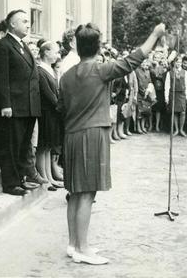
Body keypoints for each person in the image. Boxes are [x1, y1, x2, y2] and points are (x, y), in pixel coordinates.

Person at [57, 22, 166, 265]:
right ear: (97, 47)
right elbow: (134, 59)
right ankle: (83, 248)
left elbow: (60, 108)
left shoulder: (66, 77)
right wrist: (155, 34)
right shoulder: (100, 70)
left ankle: (74, 244)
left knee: (74, 192)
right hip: (92, 134)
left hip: (71, 135)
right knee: (87, 192)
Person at [0, 9, 42, 196]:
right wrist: (5, 104)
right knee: (10, 145)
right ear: (12, 23)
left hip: (27, 106)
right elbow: (0, 78)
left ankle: (21, 178)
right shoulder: (1, 45)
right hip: (12, 106)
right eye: (25, 21)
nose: (29, 24)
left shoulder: (24, 45)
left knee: (22, 145)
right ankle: (10, 184)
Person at [36, 41, 63, 191]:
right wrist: (60, 105)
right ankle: (44, 179)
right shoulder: (40, 71)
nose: (57, 55)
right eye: (55, 52)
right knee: (43, 146)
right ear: (46, 52)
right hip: (45, 113)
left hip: (52, 113)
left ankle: (49, 177)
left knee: (48, 146)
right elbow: (49, 95)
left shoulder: (50, 70)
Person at [165, 56, 187, 137]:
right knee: (174, 112)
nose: (178, 64)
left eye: (180, 62)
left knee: (182, 112)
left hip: (182, 94)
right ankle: (176, 130)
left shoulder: (185, 72)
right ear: (174, 62)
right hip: (173, 94)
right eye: (177, 62)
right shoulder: (169, 73)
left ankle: (181, 129)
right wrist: (166, 97)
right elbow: (167, 86)